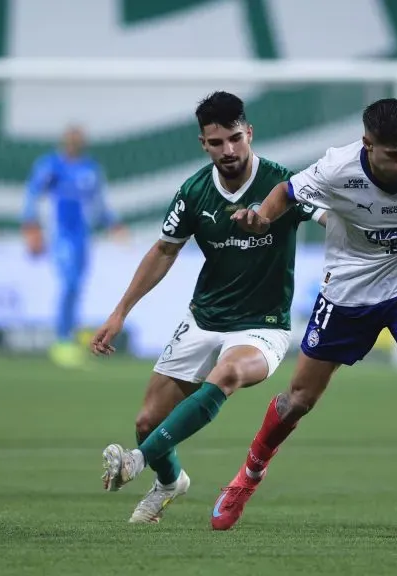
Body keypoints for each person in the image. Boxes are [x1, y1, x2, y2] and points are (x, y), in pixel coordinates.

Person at [210, 98, 397, 530]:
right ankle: (246, 478)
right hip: (349, 290)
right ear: (368, 145)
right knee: (298, 402)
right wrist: (260, 218)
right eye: (393, 154)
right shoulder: (336, 168)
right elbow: (287, 193)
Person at [92, 91, 325, 524]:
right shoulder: (195, 192)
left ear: (249, 132)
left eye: (236, 138)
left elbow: (328, 216)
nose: (229, 150)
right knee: (147, 421)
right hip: (204, 319)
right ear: (203, 143)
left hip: (263, 326)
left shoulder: (281, 183)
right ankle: (169, 481)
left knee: (228, 373)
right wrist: (120, 311)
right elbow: (163, 251)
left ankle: (137, 463)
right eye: (217, 143)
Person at [22, 126, 126, 368]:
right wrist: (31, 227)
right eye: (70, 137)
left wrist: (114, 224)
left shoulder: (91, 168)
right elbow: (32, 195)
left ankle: (70, 332)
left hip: (82, 236)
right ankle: (61, 340)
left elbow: (99, 204)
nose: (74, 142)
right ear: (64, 140)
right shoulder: (51, 165)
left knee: (78, 285)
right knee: (68, 283)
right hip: (60, 234)